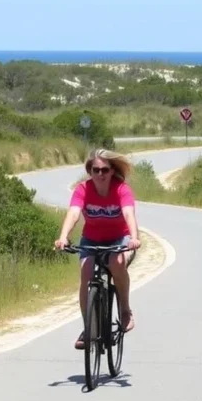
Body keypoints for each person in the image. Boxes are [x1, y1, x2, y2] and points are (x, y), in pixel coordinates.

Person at [55, 148, 142, 350]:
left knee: (116, 262)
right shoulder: (82, 190)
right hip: (91, 240)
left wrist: (134, 238)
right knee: (86, 272)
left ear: (112, 171)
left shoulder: (122, 189)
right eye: (96, 170)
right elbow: (74, 213)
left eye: (105, 170)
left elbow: (129, 214)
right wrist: (63, 237)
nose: (100, 175)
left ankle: (125, 310)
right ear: (89, 171)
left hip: (119, 239)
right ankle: (89, 328)